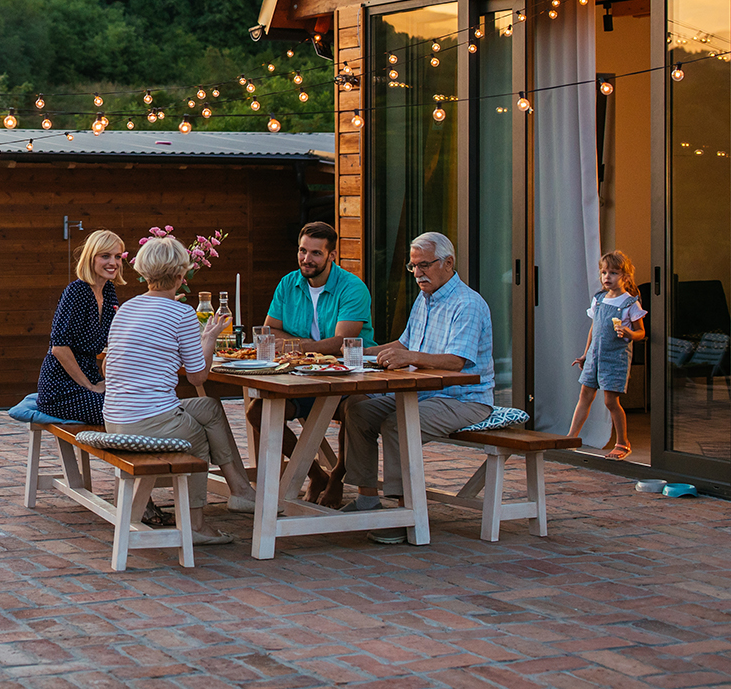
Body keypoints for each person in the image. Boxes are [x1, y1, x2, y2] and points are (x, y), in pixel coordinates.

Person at [342, 232, 494, 544]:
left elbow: (456, 362)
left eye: (424, 265)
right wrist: (357, 352)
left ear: (448, 263)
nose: (417, 274)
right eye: (412, 267)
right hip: (421, 394)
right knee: (357, 409)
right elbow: (405, 343)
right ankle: (367, 498)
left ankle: (404, 513)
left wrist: (408, 357)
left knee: (399, 424)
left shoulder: (467, 304)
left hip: (464, 399)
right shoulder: (426, 298)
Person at [104, 235, 257, 544]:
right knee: (197, 439)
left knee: (210, 408)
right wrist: (210, 338)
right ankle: (196, 525)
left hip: (115, 419)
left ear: (144, 273)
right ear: (180, 275)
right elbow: (199, 377)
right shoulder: (182, 313)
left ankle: (240, 490)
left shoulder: (126, 309)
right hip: (149, 421)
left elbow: (108, 367)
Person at [249, 221, 371, 505]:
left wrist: (296, 346)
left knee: (356, 409)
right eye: (303, 251)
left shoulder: (353, 288)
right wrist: (309, 349)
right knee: (258, 412)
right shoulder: (288, 283)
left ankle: (338, 475)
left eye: (316, 253)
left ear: (332, 255)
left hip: (346, 377)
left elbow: (342, 343)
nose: (307, 259)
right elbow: (269, 331)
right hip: (301, 377)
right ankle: (316, 474)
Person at [37, 230, 124, 425]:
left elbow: (112, 342)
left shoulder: (108, 291)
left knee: (136, 402)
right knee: (119, 413)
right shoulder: (78, 291)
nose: (113, 263)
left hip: (91, 377)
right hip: (61, 387)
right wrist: (90, 386)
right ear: (90, 258)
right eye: (105, 256)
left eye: (117, 257)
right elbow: (59, 348)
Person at [569, 251, 647, 460]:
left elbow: (641, 332)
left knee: (611, 402)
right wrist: (585, 355)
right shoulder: (600, 299)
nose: (607, 277)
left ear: (626, 277)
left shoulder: (630, 303)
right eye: (604, 272)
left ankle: (623, 442)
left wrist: (630, 333)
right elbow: (593, 329)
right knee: (584, 396)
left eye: (613, 273)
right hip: (594, 357)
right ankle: (570, 438)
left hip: (615, 360)